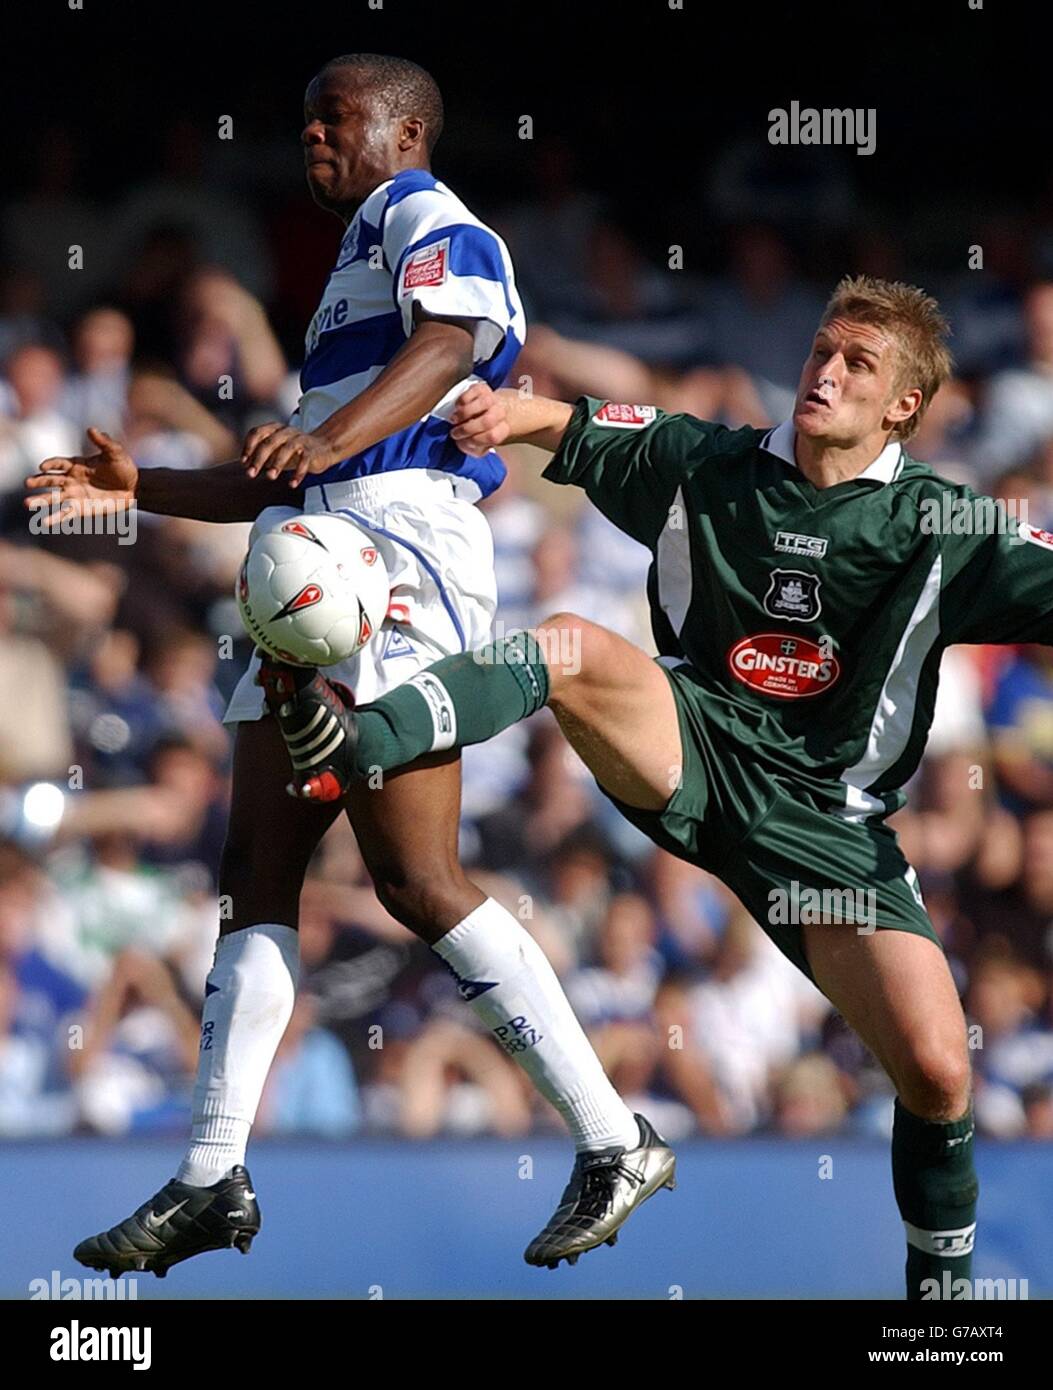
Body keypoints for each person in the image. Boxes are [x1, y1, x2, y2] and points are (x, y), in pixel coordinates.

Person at [274, 274, 1053, 1300]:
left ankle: (942, 1308)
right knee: (571, 646)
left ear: (905, 404)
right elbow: (590, 428)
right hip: (690, 747)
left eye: (859, 364)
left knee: (940, 1071)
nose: (825, 372)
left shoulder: (941, 524)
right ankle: (353, 740)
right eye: (824, 348)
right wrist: (510, 413)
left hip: (829, 830)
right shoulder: (715, 464)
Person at [28, 53, 672, 1279]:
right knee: (255, 861)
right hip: (323, 553)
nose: (313, 137)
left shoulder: (427, 215)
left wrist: (324, 435)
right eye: (306, 121)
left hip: (396, 548)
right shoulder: (347, 273)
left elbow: (456, 339)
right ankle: (214, 1172)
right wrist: (138, 489)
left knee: (418, 878)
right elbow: (289, 465)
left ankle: (611, 1136)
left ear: (405, 127)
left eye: (335, 117)